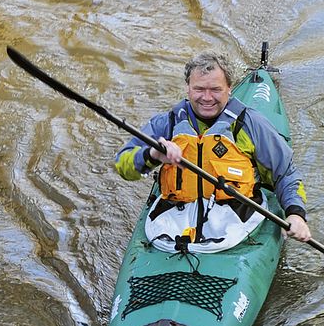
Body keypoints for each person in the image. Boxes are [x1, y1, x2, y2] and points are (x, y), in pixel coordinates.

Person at [114, 51, 311, 252]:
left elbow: (285, 173)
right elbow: (122, 165)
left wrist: (295, 214)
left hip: (237, 220)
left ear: (229, 89)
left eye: (215, 89)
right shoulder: (166, 124)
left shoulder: (251, 124)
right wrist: (152, 155)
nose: (207, 98)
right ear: (188, 89)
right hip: (173, 221)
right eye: (199, 89)